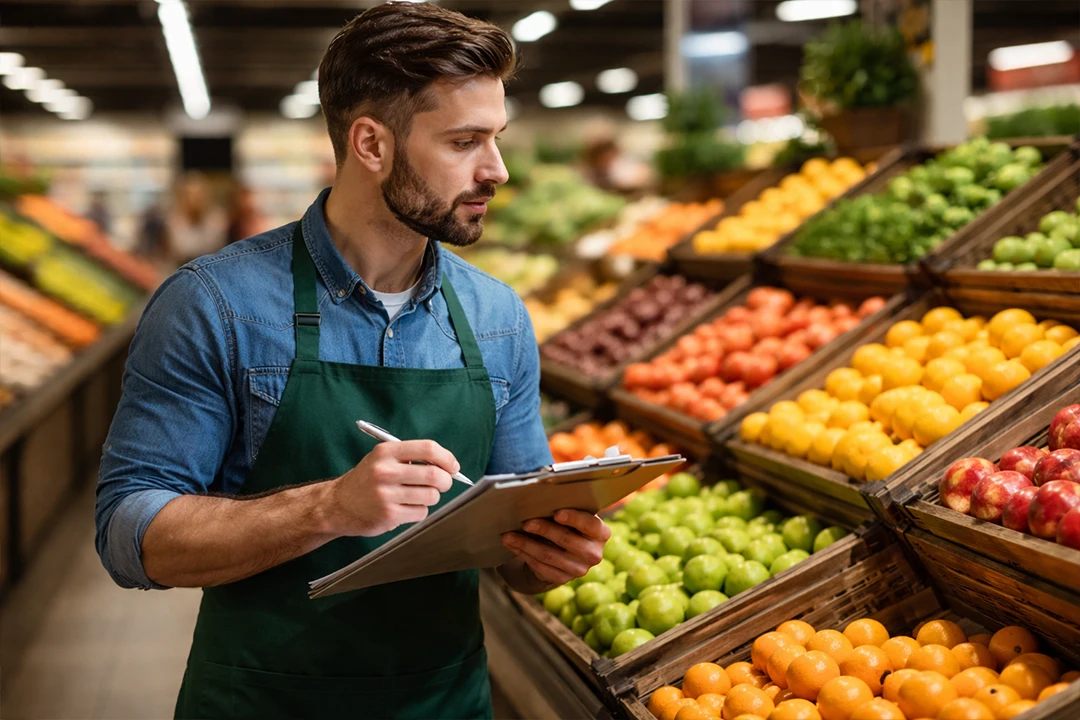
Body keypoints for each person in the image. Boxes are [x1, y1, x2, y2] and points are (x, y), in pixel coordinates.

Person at [94, 3, 609, 718]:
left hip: (444, 701)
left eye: (496, 139)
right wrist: (330, 506)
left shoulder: (497, 319)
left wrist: (549, 555)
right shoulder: (215, 303)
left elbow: (517, 550)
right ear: (371, 144)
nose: (497, 169)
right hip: (261, 701)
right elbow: (129, 535)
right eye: (465, 141)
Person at [165, 171, 228, 267]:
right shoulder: (173, 220)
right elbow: (177, 251)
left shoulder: (217, 218)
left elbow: (215, 247)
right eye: (187, 195)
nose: (192, 199)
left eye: (196, 194)